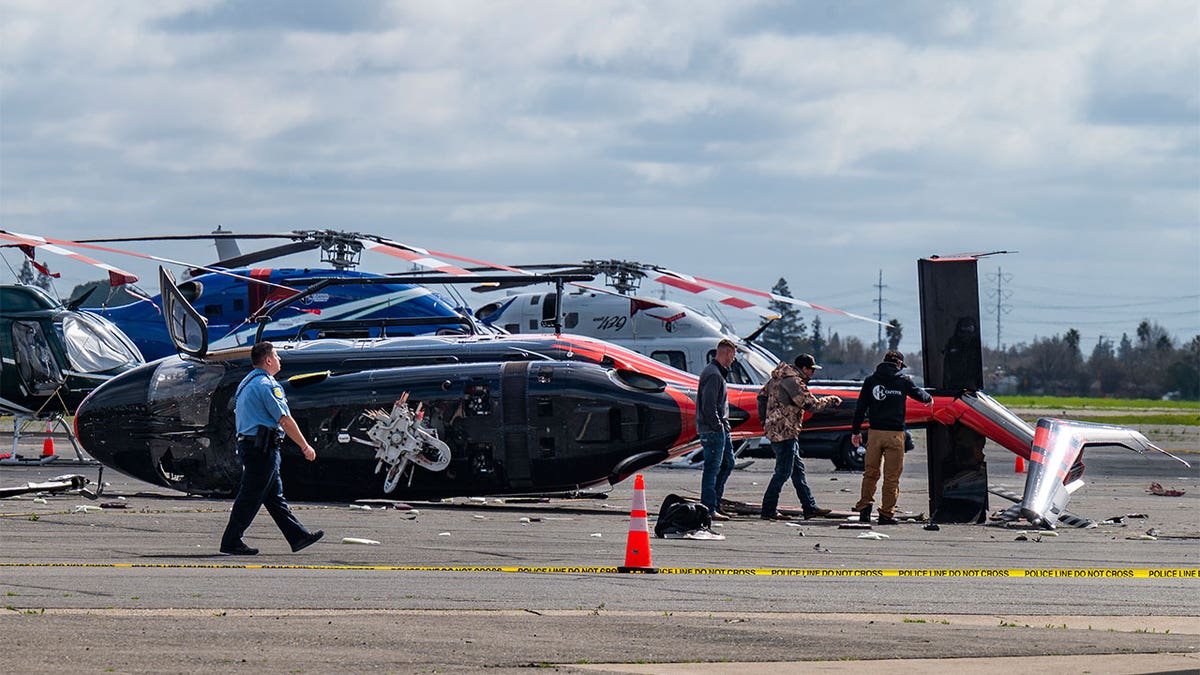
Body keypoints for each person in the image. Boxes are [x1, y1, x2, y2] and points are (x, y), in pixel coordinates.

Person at [220, 341, 324, 555]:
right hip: (262, 448)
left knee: (274, 496)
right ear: (268, 360)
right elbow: (284, 419)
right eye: (276, 356)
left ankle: (298, 536)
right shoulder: (267, 385)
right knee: (250, 495)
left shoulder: (247, 382)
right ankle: (231, 540)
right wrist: (305, 446)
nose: (279, 359)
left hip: (253, 445)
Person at [850, 350, 933, 525]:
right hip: (895, 434)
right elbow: (921, 396)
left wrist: (855, 431)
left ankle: (864, 510)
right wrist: (929, 398)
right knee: (891, 477)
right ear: (900, 364)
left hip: (875, 434)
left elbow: (860, 407)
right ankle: (886, 514)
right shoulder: (903, 380)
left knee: (870, 473)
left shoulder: (871, 380)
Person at [760, 354, 841, 520]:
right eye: (811, 370)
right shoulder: (793, 381)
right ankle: (768, 509)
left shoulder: (777, 378)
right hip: (785, 432)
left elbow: (761, 397)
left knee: (797, 472)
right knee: (783, 472)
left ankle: (809, 507)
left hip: (779, 430)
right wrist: (832, 400)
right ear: (804, 368)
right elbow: (811, 404)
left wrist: (765, 421)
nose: (812, 373)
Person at [697, 338, 737, 521]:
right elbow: (708, 405)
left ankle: (715, 503)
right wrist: (718, 426)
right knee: (712, 469)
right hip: (714, 430)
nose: (733, 360)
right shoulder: (713, 374)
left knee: (728, 462)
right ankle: (708, 507)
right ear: (726, 353)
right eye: (733, 355)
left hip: (721, 429)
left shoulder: (717, 373)